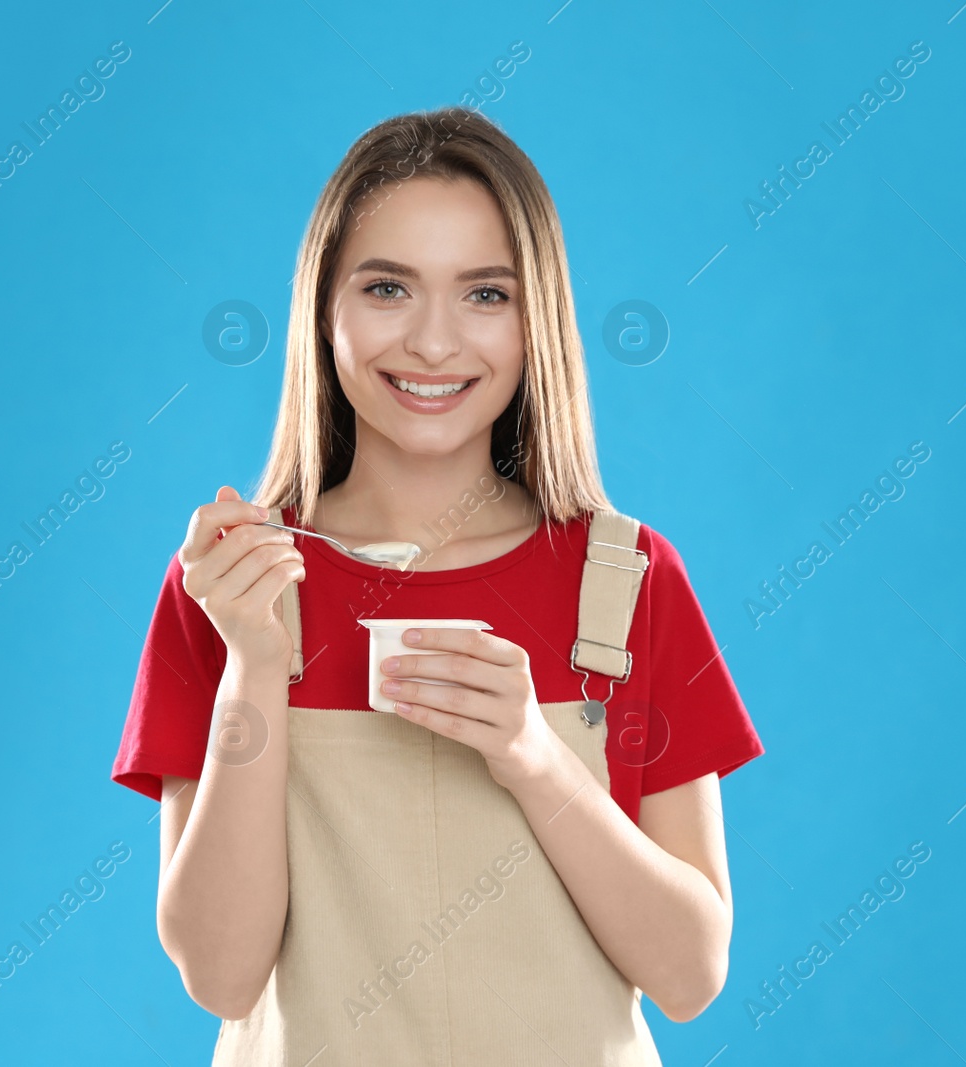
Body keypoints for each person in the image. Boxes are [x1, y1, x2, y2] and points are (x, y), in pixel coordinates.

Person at [111, 105, 765, 1065]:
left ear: (535, 315)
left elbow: (690, 971)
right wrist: (254, 661)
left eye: (485, 294)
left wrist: (532, 755)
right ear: (322, 307)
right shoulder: (232, 585)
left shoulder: (625, 585)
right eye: (387, 287)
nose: (431, 342)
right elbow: (221, 973)